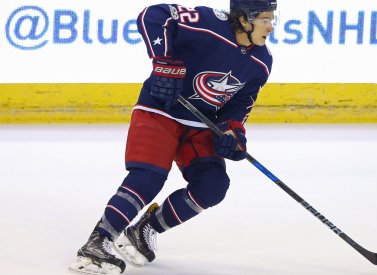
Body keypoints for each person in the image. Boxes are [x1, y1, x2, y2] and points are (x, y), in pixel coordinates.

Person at [69, 0, 278, 274]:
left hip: (199, 125)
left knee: (212, 186)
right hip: (159, 110)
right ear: (243, 19)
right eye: (264, 19)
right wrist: (164, 63)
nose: (270, 27)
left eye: (272, 19)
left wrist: (233, 134)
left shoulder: (262, 62)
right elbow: (152, 15)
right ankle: (97, 243)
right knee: (148, 177)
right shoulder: (208, 22)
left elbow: (239, 106)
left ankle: (144, 230)